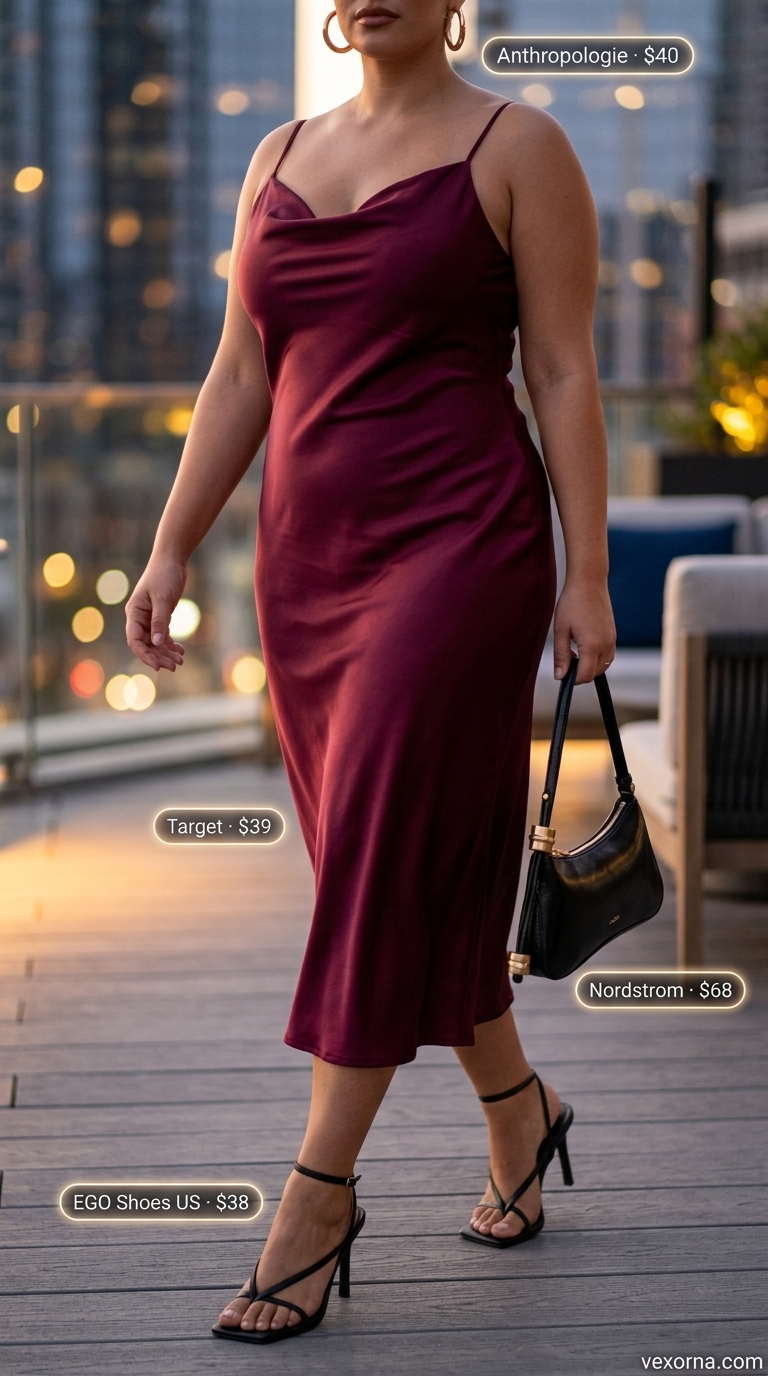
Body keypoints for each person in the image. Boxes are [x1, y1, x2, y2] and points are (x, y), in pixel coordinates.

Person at [125, 0, 616, 1347]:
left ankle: (316, 1197)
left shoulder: (521, 146)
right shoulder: (278, 151)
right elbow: (241, 370)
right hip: (308, 568)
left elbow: (565, 371)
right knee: (390, 865)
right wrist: (171, 548)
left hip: (463, 547)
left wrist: (588, 574)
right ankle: (523, 1113)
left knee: (383, 860)